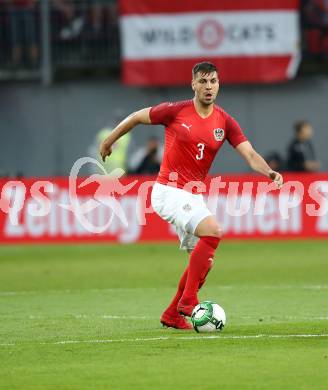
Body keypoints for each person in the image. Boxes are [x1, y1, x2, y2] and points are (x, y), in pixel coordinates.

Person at [100, 62, 283, 330]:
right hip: (168, 190)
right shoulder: (176, 111)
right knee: (213, 231)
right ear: (193, 85)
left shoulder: (225, 121)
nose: (209, 87)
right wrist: (109, 141)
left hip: (193, 196)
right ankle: (188, 302)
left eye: (213, 82)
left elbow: (249, 153)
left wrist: (269, 172)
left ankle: (172, 314)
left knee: (202, 263)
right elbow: (138, 116)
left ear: (218, 85)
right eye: (203, 81)